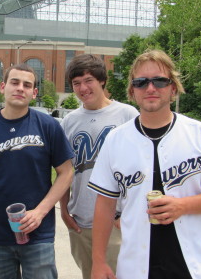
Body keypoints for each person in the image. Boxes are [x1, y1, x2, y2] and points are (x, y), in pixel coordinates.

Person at [88, 50, 201, 279]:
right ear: (132, 91)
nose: (150, 88)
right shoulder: (115, 140)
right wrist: (98, 262)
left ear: (173, 88)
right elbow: (104, 205)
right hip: (136, 267)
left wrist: (182, 206)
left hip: (194, 265)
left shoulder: (199, 134)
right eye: (141, 82)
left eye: (160, 80)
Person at [0, 63, 74, 279]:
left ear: (34, 93)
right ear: (3, 87)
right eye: (15, 82)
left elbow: (66, 172)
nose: (20, 88)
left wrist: (40, 212)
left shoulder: (48, 126)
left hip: (38, 235)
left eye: (27, 85)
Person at [59, 54, 139, 279]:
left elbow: (140, 170)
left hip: (117, 222)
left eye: (88, 80)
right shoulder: (69, 121)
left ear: (102, 80)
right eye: (76, 83)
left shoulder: (127, 115)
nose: (83, 88)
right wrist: (64, 211)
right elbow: (65, 171)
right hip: (81, 222)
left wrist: (128, 213)